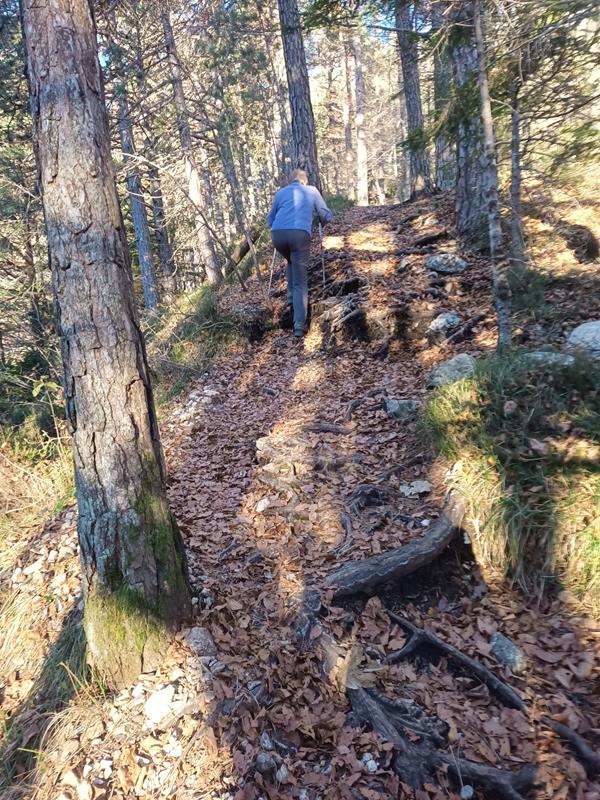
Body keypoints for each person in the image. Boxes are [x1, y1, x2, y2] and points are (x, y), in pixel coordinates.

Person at [266, 169, 333, 337]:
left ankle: (291, 299)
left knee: (291, 261)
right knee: (300, 282)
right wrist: (322, 218)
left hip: (278, 235)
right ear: (305, 181)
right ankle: (299, 325)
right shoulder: (311, 190)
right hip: (299, 234)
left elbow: (269, 220)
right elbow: (326, 215)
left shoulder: (281, 193)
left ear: (291, 180)